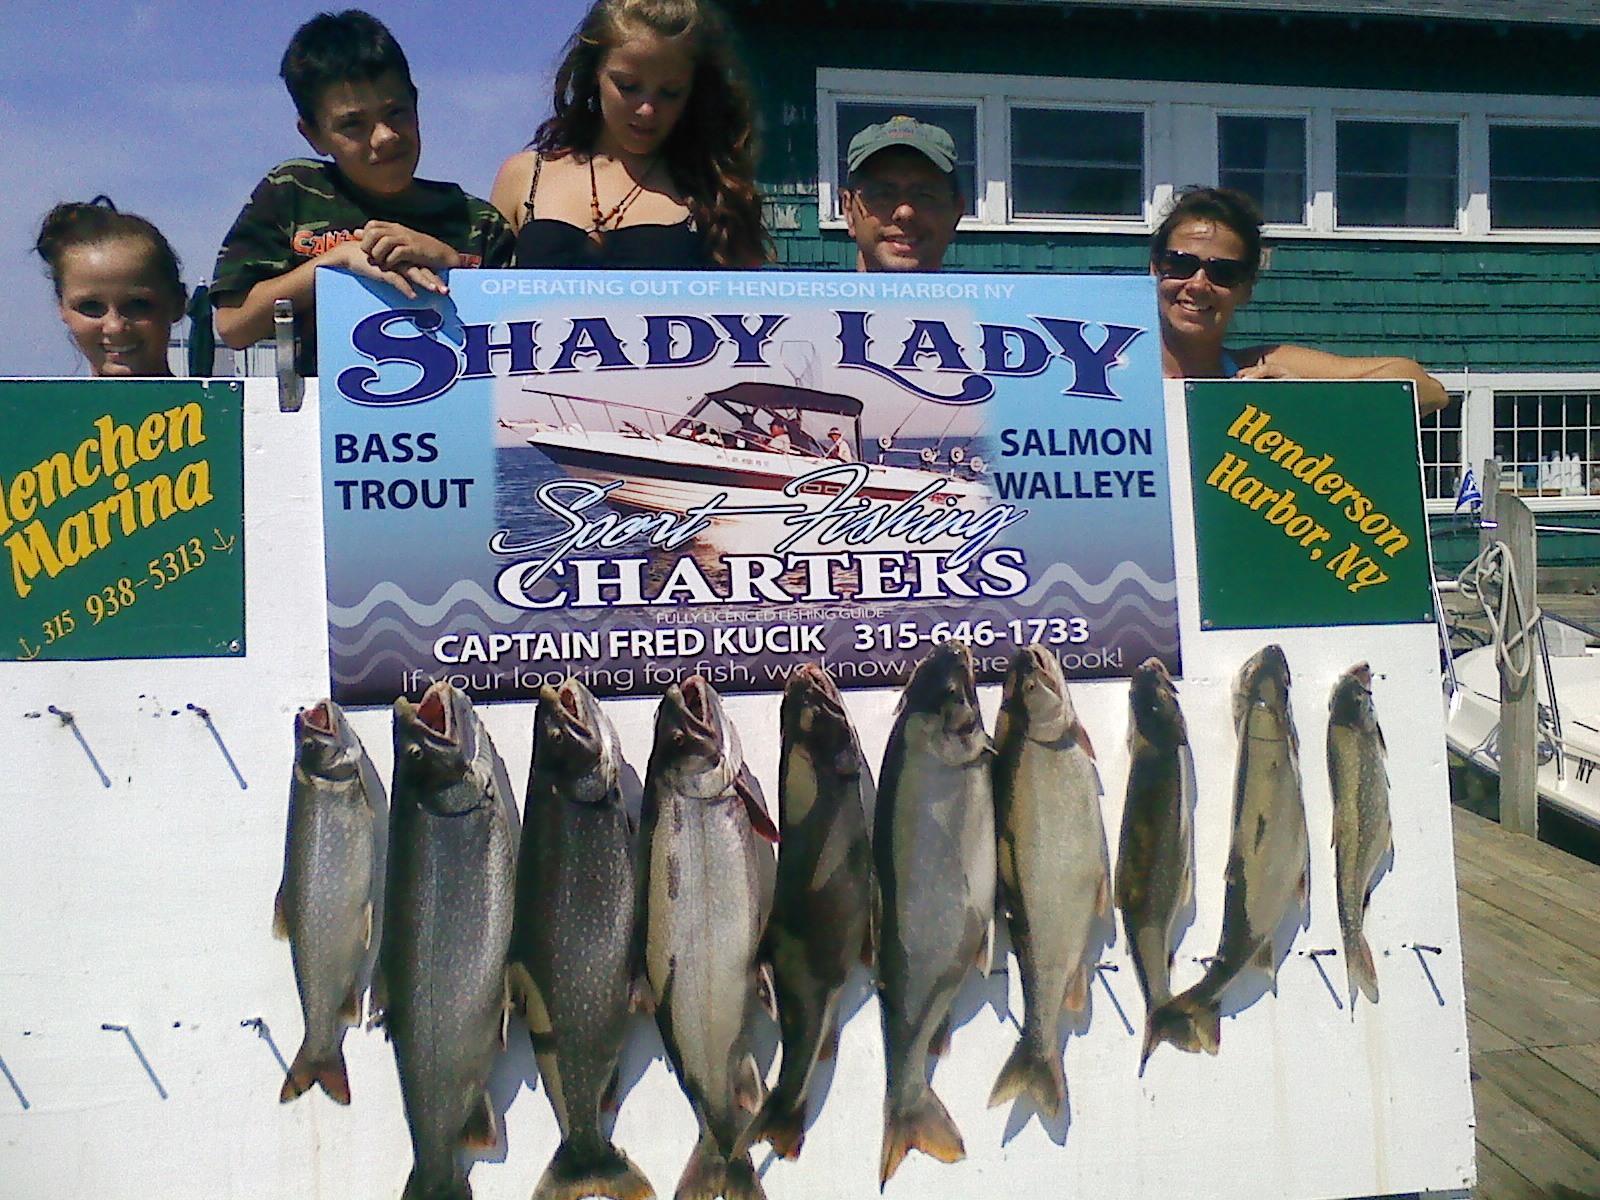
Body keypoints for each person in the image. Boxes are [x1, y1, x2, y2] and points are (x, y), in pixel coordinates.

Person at [211, 10, 514, 375]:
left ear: (416, 103)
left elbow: (518, 342)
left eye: (396, 112)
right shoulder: (291, 191)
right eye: (353, 124)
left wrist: (450, 265)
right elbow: (234, 326)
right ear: (313, 135)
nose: (385, 136)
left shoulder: (480, 223)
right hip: (326, 427)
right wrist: (336, 262)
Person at [491, 0, 768, 269]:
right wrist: (447, 264)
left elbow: (753, 309)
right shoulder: (525, 177)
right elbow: (475, 293)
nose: (647, 110)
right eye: (627, 86)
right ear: (593, 74)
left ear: (695, 91)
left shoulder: (717, 194)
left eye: (670, 92)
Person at [1152, 186, 1449, 414]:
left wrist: (1306, 398)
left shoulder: (1261, 366)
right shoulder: (1111, 370)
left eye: (1224, 272)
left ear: (1247, 288)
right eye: (1179, 264)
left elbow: (1428, 390)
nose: (1198, 284)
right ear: (1155, 268)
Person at [35, 196, 187, 378]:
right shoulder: (29, 407)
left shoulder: (219, 406)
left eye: (138, 305)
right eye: (90, 307)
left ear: (179, 303)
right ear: (62, 307)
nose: (115, 326)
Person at [840, 116, 962, 273]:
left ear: (956, 214)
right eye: (883, 195)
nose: (904, 212)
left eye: (924, 196)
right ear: (849, 211)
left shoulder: (995, 296)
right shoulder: (802, 297)